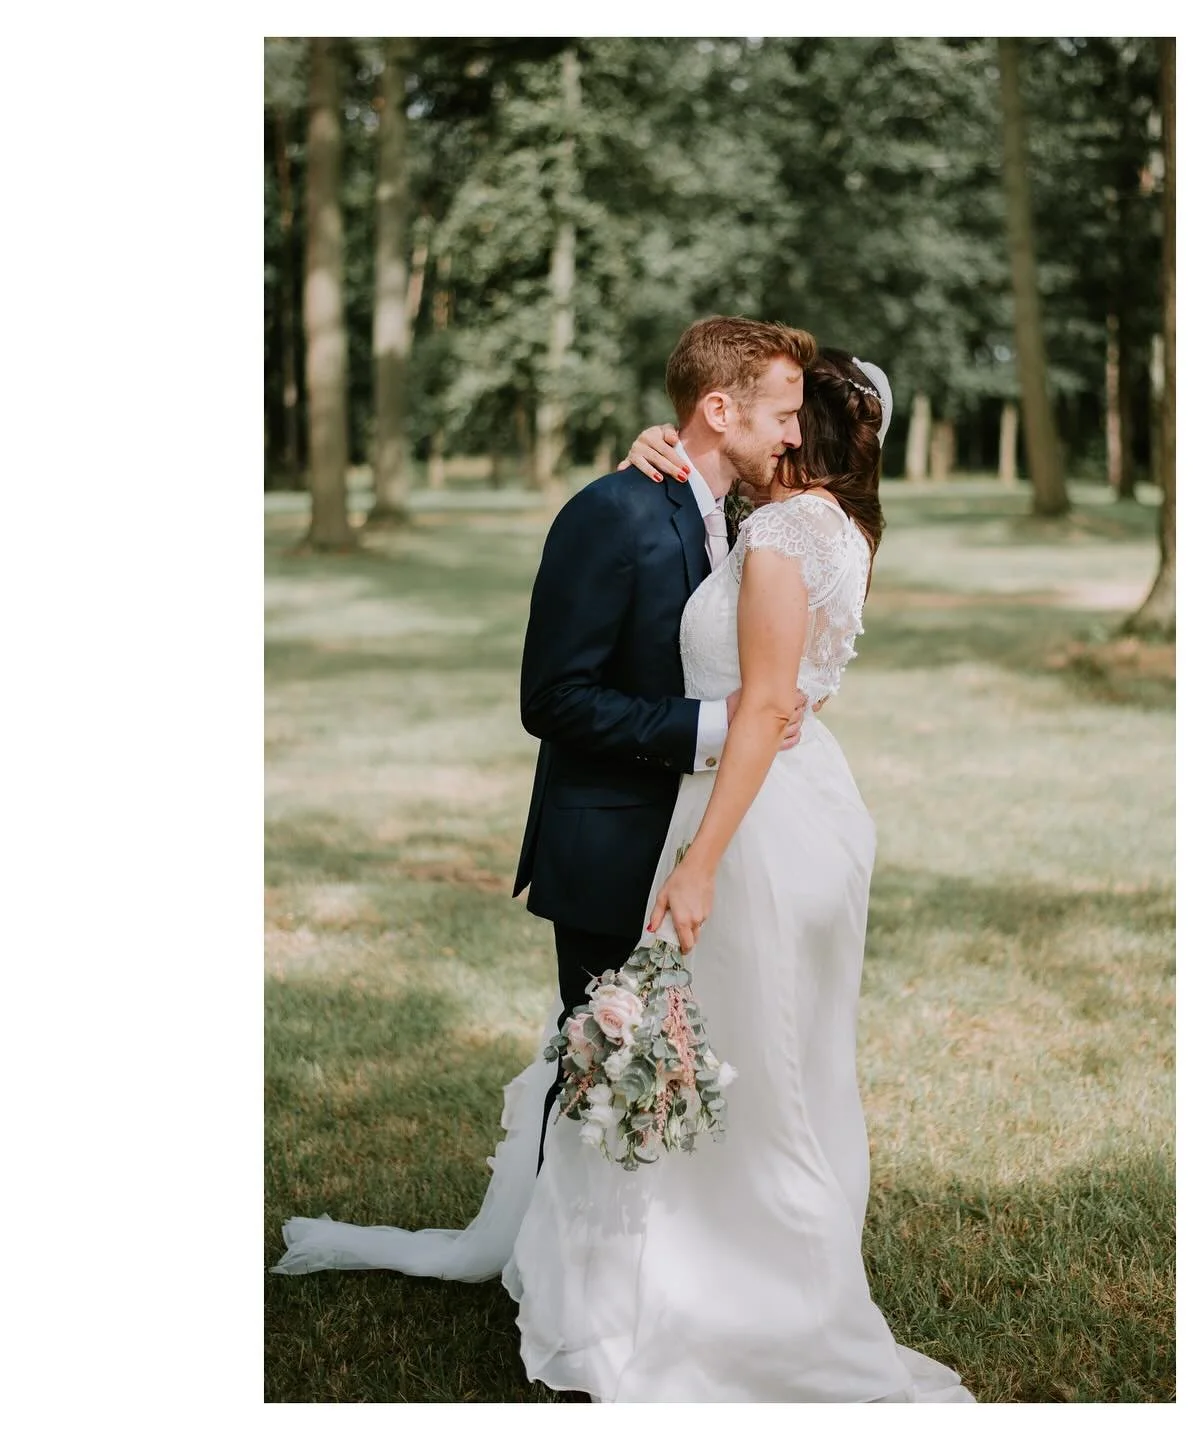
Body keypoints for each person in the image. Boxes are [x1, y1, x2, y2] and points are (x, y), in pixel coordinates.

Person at [273, 328, 975, 1403]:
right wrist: (712, 727)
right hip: (622, 838)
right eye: (775, 411)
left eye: (801, 413)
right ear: (718, 414)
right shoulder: (619, 507)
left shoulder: (762, 515)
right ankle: (604, 1291)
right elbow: (551, 699)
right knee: (624, 1074)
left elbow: (768, 661)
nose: (791, 429)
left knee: (712, 1073)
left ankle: (675, 1292)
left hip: (722, 839)